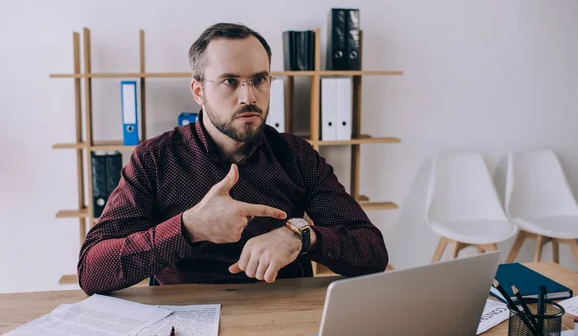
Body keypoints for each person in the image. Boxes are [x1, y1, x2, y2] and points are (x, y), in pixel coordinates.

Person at [77, 22, 389, 296]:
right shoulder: (154, 159)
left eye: (259, 79)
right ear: (198, 91)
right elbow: (92, 271)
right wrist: (188, 228)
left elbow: (372, 252)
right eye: (229, 81)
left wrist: (300, 236)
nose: (249, 97)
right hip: (183, 318)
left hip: (279, 311)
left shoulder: (296, 156)